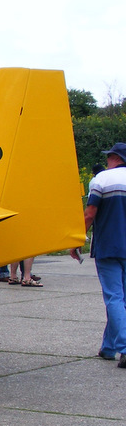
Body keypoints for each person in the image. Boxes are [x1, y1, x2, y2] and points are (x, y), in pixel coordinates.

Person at [83, 143, 126, 365]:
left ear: (115, 158)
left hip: (109, 246)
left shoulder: (101, 180)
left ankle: (124, 347)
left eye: (109, 156)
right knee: (122, 300)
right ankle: (108, 347)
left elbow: (90, 213)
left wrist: (77, 238)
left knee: (114, 297)